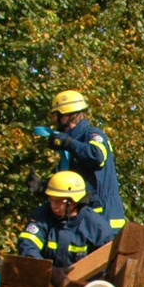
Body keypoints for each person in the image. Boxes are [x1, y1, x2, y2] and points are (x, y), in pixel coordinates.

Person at [32, 89, 125, 234]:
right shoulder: (69, 146)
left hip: (103, 215)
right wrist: (42, 187)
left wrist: (68, 143)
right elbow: (70, 183)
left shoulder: (92, 135)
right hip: (83, 215)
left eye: (55, 115)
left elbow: (96, 155)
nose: (53, 121)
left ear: (66, 116)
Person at [17, 171, 114, 279]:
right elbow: (28, 247)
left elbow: (106, 266)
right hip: (42, 281)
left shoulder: (97, 227)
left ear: (74, 201)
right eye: (51, 199)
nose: (53, 205)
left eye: (59, 201)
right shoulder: (41, 217)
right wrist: (49, 272)